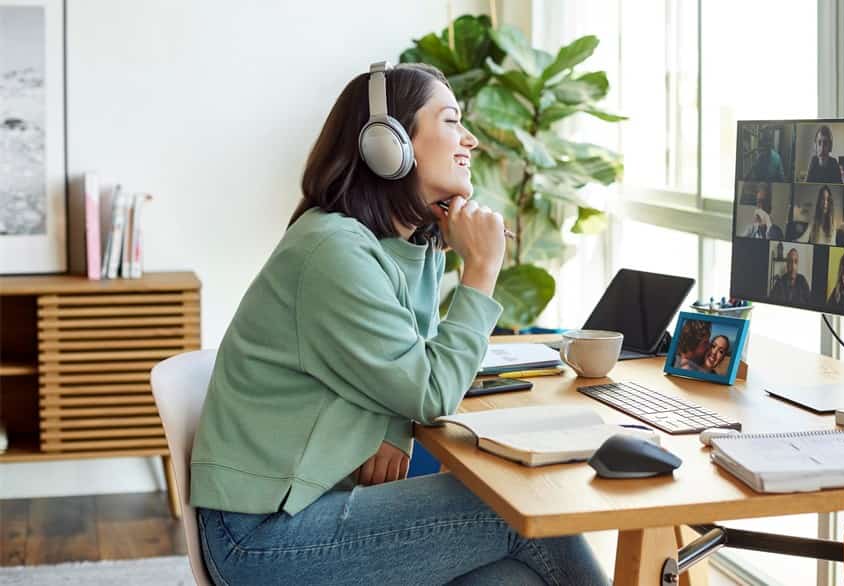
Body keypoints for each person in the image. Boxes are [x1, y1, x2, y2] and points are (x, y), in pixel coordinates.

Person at [191, 63, 608, 586]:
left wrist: (394, 425)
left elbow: (408, 361)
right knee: (520, 512)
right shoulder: (333, 250)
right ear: (387, 145)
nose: (470, 140)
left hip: (316, 503)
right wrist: (481, 269)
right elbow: (431, 391)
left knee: (514, 579)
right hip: (261, 537)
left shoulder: (401, 247)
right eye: (452, 121)